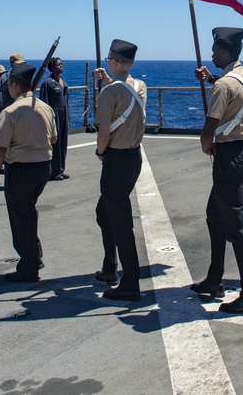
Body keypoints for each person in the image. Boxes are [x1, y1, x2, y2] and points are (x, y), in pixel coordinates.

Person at [192, 27, 243, 315]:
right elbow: (234, 94)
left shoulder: (222, 86)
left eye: (214, 51)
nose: (211, 54)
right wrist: (210, 78)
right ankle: (214, 279)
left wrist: (206, 146)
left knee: (237, 226)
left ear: (223, 52)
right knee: (215, 216)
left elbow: (210, 127)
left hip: (228, 156)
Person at [0, 62, 57, 283]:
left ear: (14, 84)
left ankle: (28, 267)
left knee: (21, 218)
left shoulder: (9, 112)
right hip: (43, 167)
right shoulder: (45, 108)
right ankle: (34, 255)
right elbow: (54, 138)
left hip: (21, 170)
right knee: (28, 213)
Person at [91, 40, 147, 301]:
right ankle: (109, 267)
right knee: (105, 212)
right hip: (134, 157)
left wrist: (101, 153)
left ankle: (130, 282)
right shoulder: (140, 87)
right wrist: (109, 83)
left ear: (113, 62)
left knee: (120, 222)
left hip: (116, 159)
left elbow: (103, 133)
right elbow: (124, 99)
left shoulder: (108, 94)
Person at [40, 57, 71, 181]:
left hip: (64, 114)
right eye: (58, 64)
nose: (60, 66)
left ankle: (61, 169)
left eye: (61, 64)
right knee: (55, 143)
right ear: (52, 67)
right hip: (54, 115)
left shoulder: (63, 81)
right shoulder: (47, 83)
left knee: (63, 143)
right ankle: (53, 171)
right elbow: (44, 103)